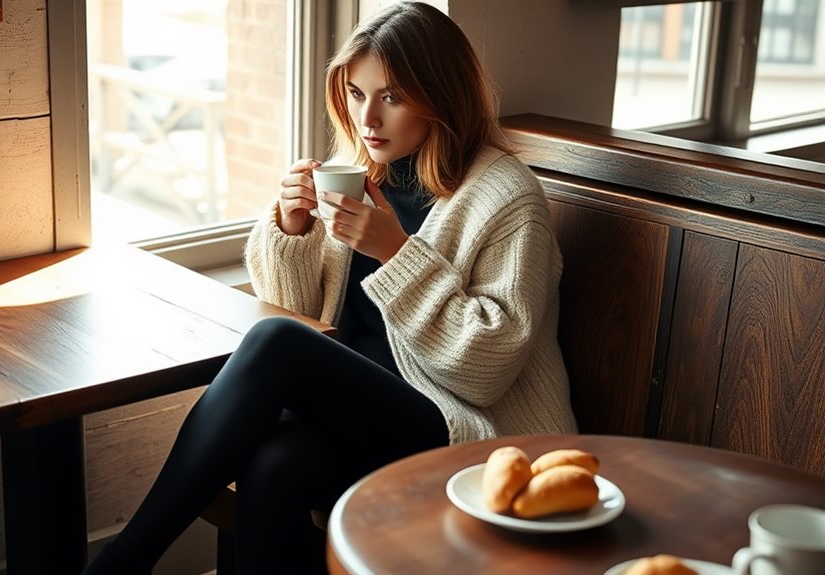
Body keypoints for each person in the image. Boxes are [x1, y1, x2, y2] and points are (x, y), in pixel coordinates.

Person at [82, 2, 576, 574]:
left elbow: (487, 370)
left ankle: (122, 562)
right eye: (357, 94)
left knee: (275, 345)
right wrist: (292, 232)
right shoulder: (362, 173)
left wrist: (394, 252)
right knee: (274, 463)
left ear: (441, 96)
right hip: (372, 412)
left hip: (466, 429)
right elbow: (300, 318)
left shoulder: (506, 198)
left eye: (391, 97)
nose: (369, 119)